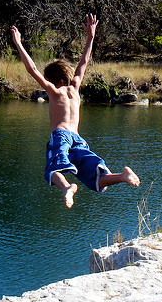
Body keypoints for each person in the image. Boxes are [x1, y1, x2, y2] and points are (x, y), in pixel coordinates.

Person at [11, 14, 140, 208]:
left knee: (52, 170)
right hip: (78, 140)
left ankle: (67, 188)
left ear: (54, 80)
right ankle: (122, 176)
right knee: (94, 180)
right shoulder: (75, 89)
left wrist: (18, 43)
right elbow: (84, 61)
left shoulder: (54, 91)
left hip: (61, 136)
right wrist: (91, 36)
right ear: (66, 76)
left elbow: (32, 70)